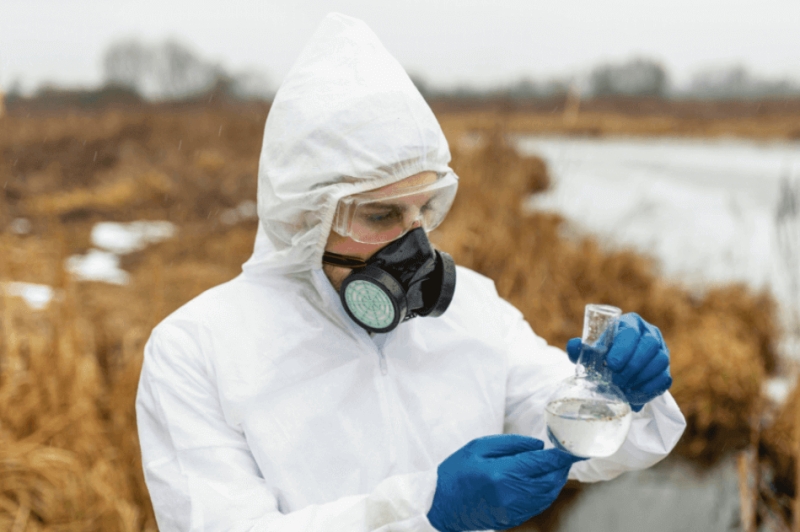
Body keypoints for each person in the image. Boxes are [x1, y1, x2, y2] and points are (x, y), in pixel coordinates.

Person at [136, 13, 686, 532]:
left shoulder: (472, 306)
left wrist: (620, 394)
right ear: (303, 216)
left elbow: (573, 435)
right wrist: (425, 511)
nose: (414, 241)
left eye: (424, 208)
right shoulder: (198, 351)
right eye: (380, 215)